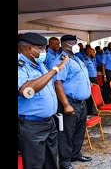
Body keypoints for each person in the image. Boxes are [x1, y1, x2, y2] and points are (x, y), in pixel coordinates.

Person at [18, 32, 68, 169]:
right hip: (32, 126)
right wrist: (54, 70)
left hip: (49, 123)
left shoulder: (39, 65)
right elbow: (26, 92)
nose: (44, 52)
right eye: (40, 49)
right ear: (29, 49)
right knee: (35, 164)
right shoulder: (20, 67)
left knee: (51, 161)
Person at [49, 35, 92, 169]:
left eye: (76, 42)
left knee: (79, 131)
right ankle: (65, 162)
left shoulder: (76, 58)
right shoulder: (61, 60)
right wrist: (66, 105)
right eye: (73, 43)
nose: (76, 45)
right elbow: (57, 83)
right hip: (69, 102)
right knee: (66, 133)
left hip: (81, 103)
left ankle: (75, 154)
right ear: (65, 45)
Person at [82, 47, 98, 115]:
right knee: (89, 96)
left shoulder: (92, 60)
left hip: (94, 78)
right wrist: (89, 81)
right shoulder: (86, 60)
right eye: (93, 52)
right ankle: (89, 112)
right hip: (89, 79)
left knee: (93, 95)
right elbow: (83, 72)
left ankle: (91, 110)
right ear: (89, 53)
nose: (94, 53)